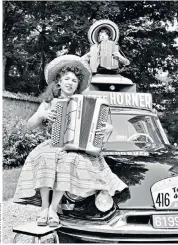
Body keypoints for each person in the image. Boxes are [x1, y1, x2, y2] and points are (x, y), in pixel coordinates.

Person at [13, 55, 127, 227]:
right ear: (58, 81)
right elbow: (29, 125)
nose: (70, 82)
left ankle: (53, 208)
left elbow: (102, 125)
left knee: (69, 160)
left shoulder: (85, 102)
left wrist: (108, 129)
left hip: (75, 148)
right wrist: (41, 115)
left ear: (77, 85)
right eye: (66, 78)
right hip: (54, 144)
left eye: (74, 80)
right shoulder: (49, 102)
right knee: (45, 157)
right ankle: (44, 207)